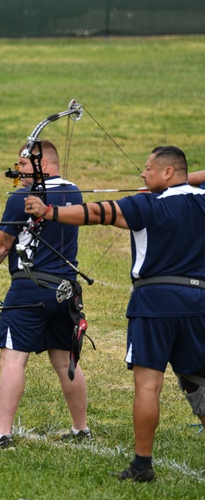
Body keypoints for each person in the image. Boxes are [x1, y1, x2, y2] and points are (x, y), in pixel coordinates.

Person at [24, 146, 205, 481]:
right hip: (198, 302)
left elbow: (94, 213)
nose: (142, 174)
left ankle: (142, 466)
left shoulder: (145, 204)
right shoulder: (200, 197)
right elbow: (192, 180)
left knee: (148, 386)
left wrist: (49, 211)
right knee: (199, 382)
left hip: (154, 302)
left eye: (148, 168)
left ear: (167, 172)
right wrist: (179, 180)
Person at [0, 140, 90, 450]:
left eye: (25, 165)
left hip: (29, 289)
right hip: (65, 291)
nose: (19, 172)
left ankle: (1, 434)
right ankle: (81, 429)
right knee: (64, 360)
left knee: (13, 360)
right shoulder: (74, 192)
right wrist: (4, 230)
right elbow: (36, 228)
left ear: (43, 164)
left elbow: (3, 245)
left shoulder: (23, 197)